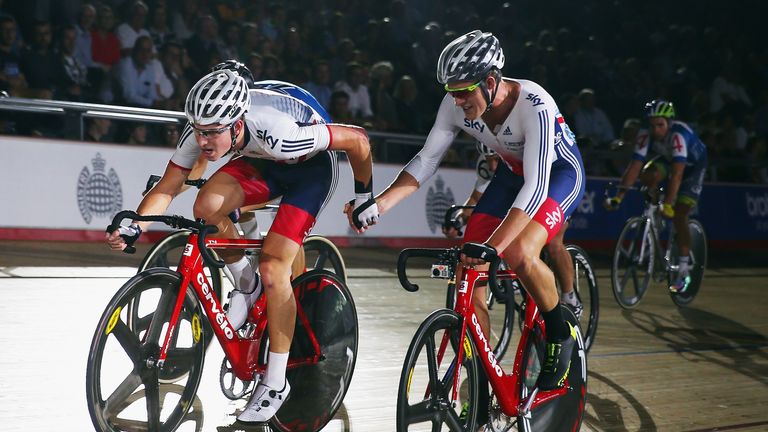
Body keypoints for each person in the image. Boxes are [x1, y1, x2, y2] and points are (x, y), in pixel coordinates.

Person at [107, 67, 378, 424]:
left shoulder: (281, 132)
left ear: (236, 124)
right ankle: (246, 285)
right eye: (199, 132)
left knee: (273, 266)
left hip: (310, 169)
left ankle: (276, 383)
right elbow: (168, 187)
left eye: (212, 134)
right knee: (205, 205)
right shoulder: (206, 130)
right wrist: (134, 225)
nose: (203, 142)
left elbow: (358, 140)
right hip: (261, 160)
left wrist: (364, 198)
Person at [352, 30, 585, 405]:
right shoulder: (456, 103)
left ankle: (560, 332)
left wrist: (496, 246)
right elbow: (427, 160)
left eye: (464, 91)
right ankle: (479, 370)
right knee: (469, 261)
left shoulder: (534, 103)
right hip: (511, 174)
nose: (457, 100)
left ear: (491, 82)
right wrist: (379, 204)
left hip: (557, 175)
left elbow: (537, 186)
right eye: (451, 91)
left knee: (520, 252)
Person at [444, 143, 582, 317]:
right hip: (514, 191)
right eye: (488, 160)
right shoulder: (486, 165)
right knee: (504, 228)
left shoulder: (526, 152)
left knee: (553, 244)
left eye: (495, 159)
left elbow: (536, 190)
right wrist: (460, 219)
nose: (492, 165)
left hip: (548, 187)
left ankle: (569, 295)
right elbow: (476, 197)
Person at [604, 100, 707, 293]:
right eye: (652, 125)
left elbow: (677, 175)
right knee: (647, 173)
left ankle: (684, 269)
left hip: (692, 168)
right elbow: (634, 166)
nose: (656, 130)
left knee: (679, 214)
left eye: (660, 125)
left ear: (669, 123)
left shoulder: (679, 135)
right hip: (669, 160)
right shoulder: (645, 134)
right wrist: (620, 195)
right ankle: (654, 211)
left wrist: (669, 203)